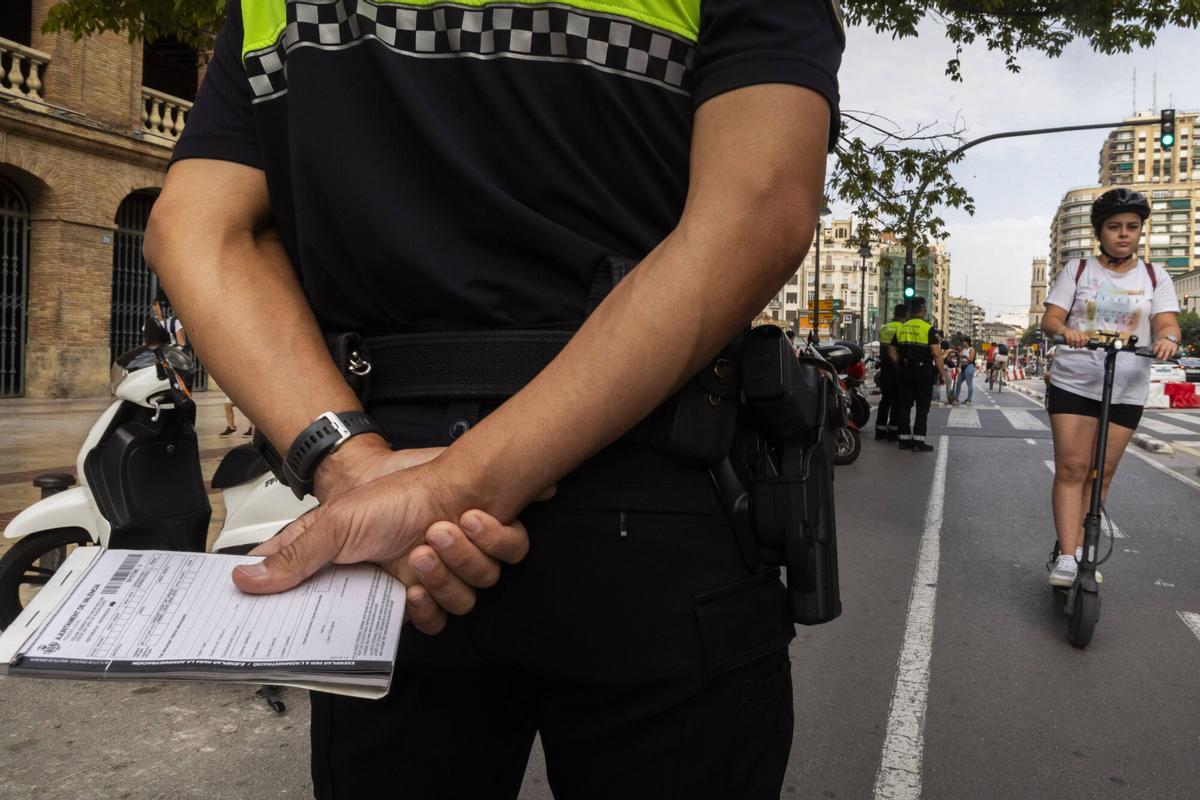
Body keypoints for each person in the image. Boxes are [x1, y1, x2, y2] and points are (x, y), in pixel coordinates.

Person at [145, 0, 845, 796]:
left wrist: (353, 467)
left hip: (391, 535)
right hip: (648, 500)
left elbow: (199, 229)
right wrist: (449, 488)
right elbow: (758, 204)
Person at [1040, 188, 1180, 587]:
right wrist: (1066, 330)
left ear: (1140, 231)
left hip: (1127, 386)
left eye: (1132, 227)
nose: (1123, 234)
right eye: (1114, 227)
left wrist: (1168, 338)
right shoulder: (1079, 270)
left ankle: (1081, 546)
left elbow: (1167, 322)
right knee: (1073, 467)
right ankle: (1068, 558)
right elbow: (1051, 320)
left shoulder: (1155, 277)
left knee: (1101, 473)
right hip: (1075, 381)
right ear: (1099, 232)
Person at [888, 296, 945, 452]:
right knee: (922, 408)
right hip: (923, 373)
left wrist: (899, 363)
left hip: (905, 372)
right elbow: (936, 354)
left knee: (904, 406)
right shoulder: (928, 329)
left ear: (910, 311)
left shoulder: (902, 328)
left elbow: (891, 351)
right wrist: (942, 374)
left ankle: (904, 440)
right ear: (923, 310)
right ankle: (919, 441)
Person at [875, 303, 907, 440]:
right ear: (905, 315)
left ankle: (880, 431)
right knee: (897, 401)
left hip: (885, 369)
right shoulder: (903, 328)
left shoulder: (884, 328)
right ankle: (893, 431)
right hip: (897, 369)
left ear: (894, 313)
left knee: (885, 400)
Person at [954, 336, 976, 403]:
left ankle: (969, 399)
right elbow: (959, 355)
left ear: (967, 342)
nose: (963, 343)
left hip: (969, 366)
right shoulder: (964, 349)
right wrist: (957, 351)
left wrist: (965, 356)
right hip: (963, 367)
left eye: (964, 341)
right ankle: (956, 398)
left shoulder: (971, 349)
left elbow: (971, 359)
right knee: (958, 383)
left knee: (969, 383)